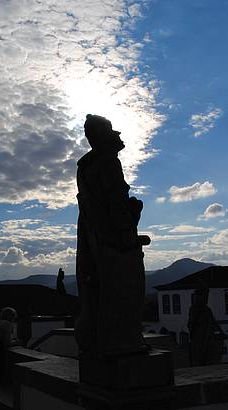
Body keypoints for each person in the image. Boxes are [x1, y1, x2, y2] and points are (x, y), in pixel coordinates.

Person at [75, 114, 148, 358]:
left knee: (99, 292)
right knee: (123, 292)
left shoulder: (85, 168)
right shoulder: (107, 163)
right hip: (115, 243)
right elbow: (116, 202)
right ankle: (122, 342)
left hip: (96, 238)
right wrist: (130, 228)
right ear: (101, 138)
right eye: (111, 131)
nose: (118, 135)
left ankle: (100, 339)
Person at [188, 285, 227, 366]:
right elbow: (191, 324)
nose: (206, 299)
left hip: (207, 337)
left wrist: (221, 332)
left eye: (206, 297)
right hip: (199, 337)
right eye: (204, 296)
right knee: (199, 356)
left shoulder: (207, 310)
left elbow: (213, 322)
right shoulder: (194, 309)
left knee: (207, 355)